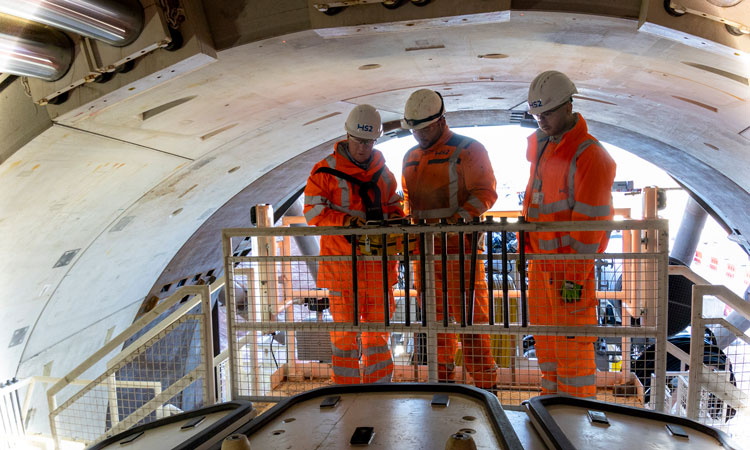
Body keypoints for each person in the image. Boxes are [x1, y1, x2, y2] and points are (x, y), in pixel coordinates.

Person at [522, 70, 616, 398]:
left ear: (568, 106)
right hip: (542, 269)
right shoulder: (547, 149)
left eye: (546, 113)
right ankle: (550, 410)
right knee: (547, 347)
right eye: (536, 115)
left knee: (573, 353)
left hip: (568, 275)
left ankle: (574, 422)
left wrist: (571, 278)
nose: (541, 121)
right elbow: (536, 206)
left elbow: (591, 226)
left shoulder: (590, 155)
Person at [400, 89, 498, 390]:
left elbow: (485, 193)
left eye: (424, 129)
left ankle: (485, 390)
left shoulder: (469, 150)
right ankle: (441, 387)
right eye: (414, 130)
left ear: (442, 120)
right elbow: (408, 204)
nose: (418, 136)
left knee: (471, 326)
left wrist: (456, 222)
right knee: (436, 326)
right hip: (426, 257)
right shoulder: (410, 156)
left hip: (461, 255)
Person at [304, 104, 404, 384]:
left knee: (378, 332)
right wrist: (347, 223)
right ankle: (347, 387)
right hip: (343, 270)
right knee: (344, 334)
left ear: (376, 139)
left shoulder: (384, 174)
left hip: (378, 270)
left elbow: (395, 208)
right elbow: (313, 212)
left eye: (369, 141)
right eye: (359, 141)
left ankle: (380, 385)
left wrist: (396, 223)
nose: (363, 147)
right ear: (347, 135)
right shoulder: (324, 171)